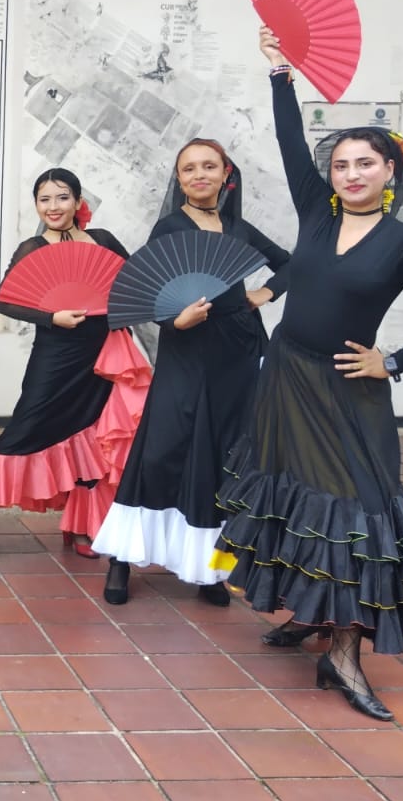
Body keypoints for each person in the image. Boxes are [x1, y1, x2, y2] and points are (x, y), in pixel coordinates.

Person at [218, 27, 403, 721]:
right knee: (293, 499)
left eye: (366, 163)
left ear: (391, 171)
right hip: (286, 379)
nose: (352, 173)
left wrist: (391, 361)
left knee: (360, 511)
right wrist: (279, 73)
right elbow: (290, 141)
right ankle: (308, 612)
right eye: (343, 165)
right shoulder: (316, 212)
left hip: (348, 390)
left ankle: (344, 652)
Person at [92, 137, 290, 606]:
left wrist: (265, 295)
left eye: (209, 166)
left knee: (225, 459)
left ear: (226, 174)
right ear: (178, 180)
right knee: (159, 452)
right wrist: (174, 321)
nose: (199, 175)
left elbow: (290, 264)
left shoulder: (239, 226)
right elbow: (151, 291)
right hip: (187, 350)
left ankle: (212, 570)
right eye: (189, 169)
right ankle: (122, 558)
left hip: (237, 354)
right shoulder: (170, 227)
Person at [0, 169, 150, 562]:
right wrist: (51, 317)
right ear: (36, 206)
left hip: (100, 356)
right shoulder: (32, 247)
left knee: (92, 439)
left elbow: (133, 281)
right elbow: (5, 301)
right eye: (44, 199)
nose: (53, 207)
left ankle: (80, 526)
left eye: (62, 197)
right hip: (56, 356)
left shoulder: (103, 240)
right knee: (23, 432)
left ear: (78, 202)